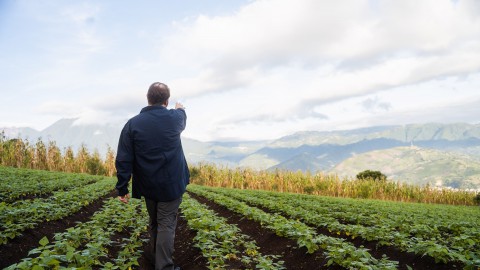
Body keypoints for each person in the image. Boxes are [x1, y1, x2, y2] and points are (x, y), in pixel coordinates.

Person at [115, 82, 189, 270]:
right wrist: (179, 108)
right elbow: (181, 115)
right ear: (167, 101)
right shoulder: (174, 118)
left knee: (155, 220)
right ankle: (164, 266)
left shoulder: (132, 124)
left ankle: (155, 255)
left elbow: (124, 158)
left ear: (148, 99)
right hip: (171, 184)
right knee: (166, 223)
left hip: (148, 184)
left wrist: (122, 187)